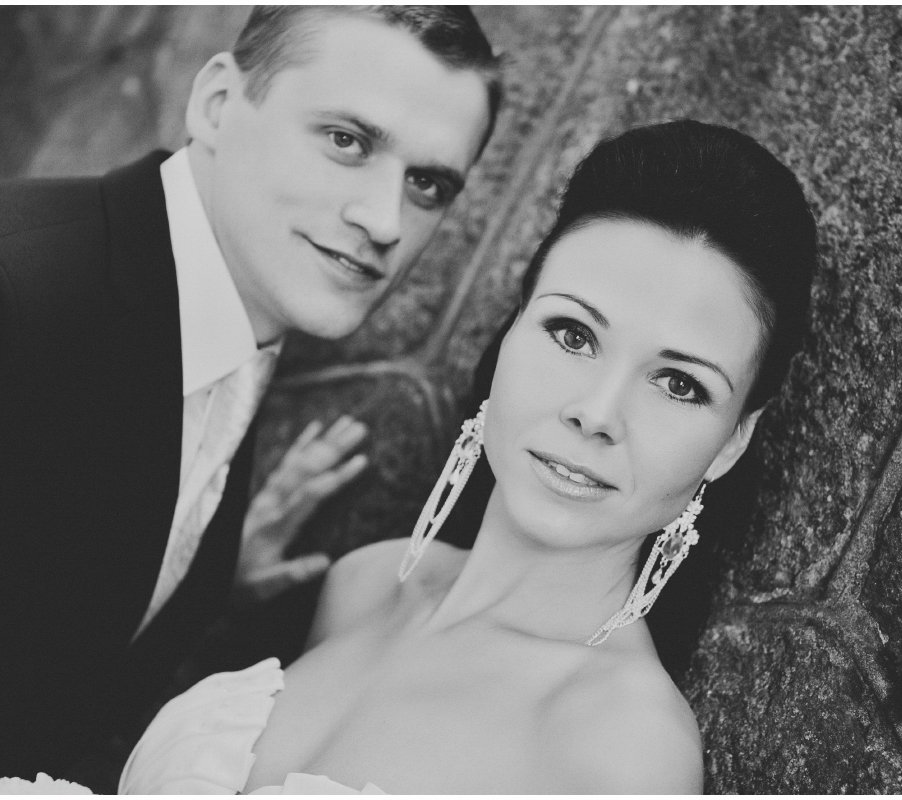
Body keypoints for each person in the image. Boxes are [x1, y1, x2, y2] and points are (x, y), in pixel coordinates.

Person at [0, 5, 500, 790]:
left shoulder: (228, 331)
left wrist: (201, 573)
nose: (385, 220)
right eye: (347, 141)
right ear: (217, 104)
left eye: (428, 185)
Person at [118, 119, 818, 794]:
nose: (597, 414)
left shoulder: (624, 747)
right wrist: (203, 584)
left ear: (732, 439)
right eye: (572, 335)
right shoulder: (364, 585)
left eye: (679, 384)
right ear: (511, 331)